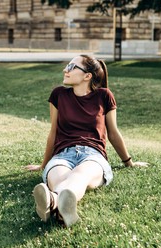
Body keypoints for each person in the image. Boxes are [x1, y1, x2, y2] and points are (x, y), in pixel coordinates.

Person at [25, 55, 149, 227]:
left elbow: (113, 133)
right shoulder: (58, 95)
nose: (65, 70)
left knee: (80, 176)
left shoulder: (104, 96)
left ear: (87, 76)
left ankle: (52, 200)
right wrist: (43, 164)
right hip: (62, 155)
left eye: (71, 67)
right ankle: (60, 206)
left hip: (93, 156)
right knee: (59, 177)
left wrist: (129, 162)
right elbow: (53, 133)